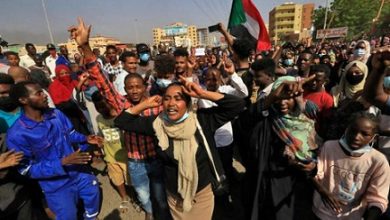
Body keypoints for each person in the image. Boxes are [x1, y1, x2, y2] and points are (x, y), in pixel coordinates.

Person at [114, 76, 245, 220]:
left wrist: (203, 94)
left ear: (188, 102)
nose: (171, 104)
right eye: (167, 98)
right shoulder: (157, 124)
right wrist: (144, 105)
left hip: (201, 194)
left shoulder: (202, 119)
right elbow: (121, 121)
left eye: (178, 98)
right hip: (174, 197)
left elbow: (237, 105)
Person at [6, 81, 102, 220]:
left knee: (93, 195)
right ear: (23, 100)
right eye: (38, 93)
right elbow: (27, 170)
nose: (45, 95)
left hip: (79, 173)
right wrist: (62, 162)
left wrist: (86, 138)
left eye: (43, 91)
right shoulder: (17, 134)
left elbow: (70, 134)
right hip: (56, 186)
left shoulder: (56, 114)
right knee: (67, 216)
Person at [244, 75, 319, 220]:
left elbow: (316, 155)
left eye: (289, 97)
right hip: (265, 185)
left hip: (294, 188)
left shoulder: (307, 122)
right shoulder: (265, 119)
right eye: (279, 98)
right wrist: (272, 96)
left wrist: (312, 166)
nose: (282, 103)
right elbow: (247, 119)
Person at [312, 112, 390, 220]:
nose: (356, 137)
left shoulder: (378, 161)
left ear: (374, 138)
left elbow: (377, 198)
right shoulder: (329, 147)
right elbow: (316, 175)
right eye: (353, 130)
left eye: (364, 134)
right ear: (347, 129)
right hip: (323, 213)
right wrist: (323, 192)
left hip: (352, 217)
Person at [91, 91, 131, 213]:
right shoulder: (98, 119)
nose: (101, 110)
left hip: (126, 156)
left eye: (103, 106)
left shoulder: (121, 116)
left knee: (131, 179)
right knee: (116, 179)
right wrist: (99, 142)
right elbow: (102, 135)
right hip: (110, 156)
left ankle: (138, 196)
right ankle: (124, 197)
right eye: (98, 107)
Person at [48, 64, 90, 135]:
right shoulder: (54, 86)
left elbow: (83, 92)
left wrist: (85, 83)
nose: (65, 75)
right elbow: (59, 104)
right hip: (68, 115)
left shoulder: (73, 82)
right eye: (62, 74)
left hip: (81, 112)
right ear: (57, 75)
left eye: (66, 73)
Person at [303, 64, 334, 137]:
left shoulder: (327, 99)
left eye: (318, 81)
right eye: (312, 79)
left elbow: (325, 123)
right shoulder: (301, 91)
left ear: (325, 81)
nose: (313, 83)